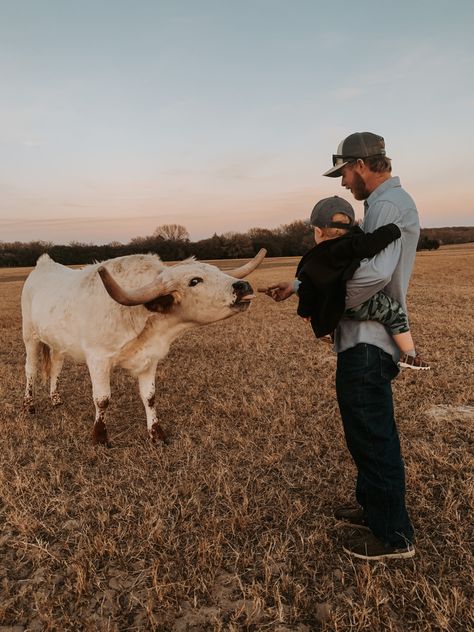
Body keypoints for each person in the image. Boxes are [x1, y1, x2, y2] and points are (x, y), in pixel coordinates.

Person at [266, 132, 420, 560]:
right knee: (363, 433)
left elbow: (372, 275)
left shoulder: (388, 206)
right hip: (363, 340)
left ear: (362, 165)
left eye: (345, 173)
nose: (343, 183)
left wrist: (327, 306)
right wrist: (303, 287)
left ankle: (394, 537)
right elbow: (343, 264)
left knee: (373, 435)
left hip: (369, 343)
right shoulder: (379, 206)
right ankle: (373, 509)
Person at [294, 195, 429, 370]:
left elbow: (306, 287)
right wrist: (393, 229)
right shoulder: (350, 244)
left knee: (326, 303)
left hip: (333, 306)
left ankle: (329, 329)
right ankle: (410, 356)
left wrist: (305, 311)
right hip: (356, 304)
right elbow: (371, 243)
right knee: (396, 313)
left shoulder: (311, 259)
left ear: (318, 231)